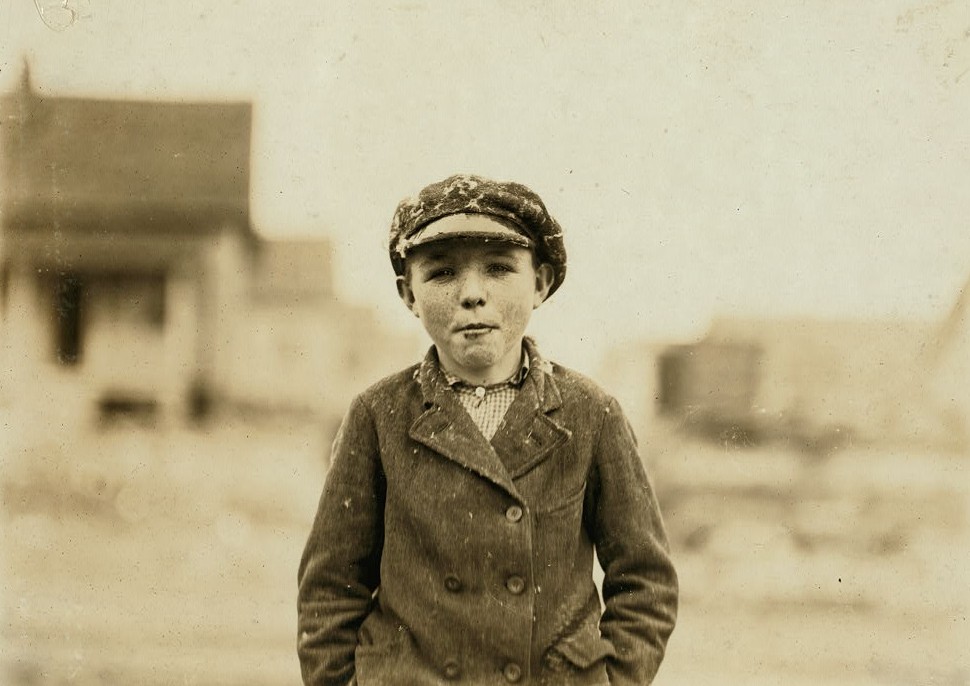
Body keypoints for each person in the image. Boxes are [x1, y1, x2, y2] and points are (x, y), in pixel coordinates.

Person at [297, 174, 678, 685]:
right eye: (441, 274)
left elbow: (645, 580)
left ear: (540, 283)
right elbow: (330, 589)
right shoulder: (378, 414)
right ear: (408, 294)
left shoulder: (591, 413)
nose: (472, 294)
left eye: (499, 269)